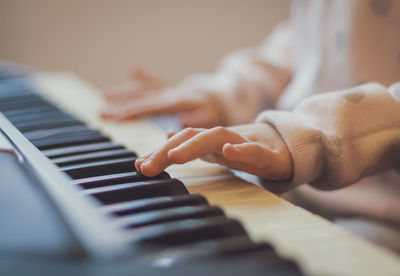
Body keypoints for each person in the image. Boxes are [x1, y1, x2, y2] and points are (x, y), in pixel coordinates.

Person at [102, 0, 400, 252]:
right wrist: (228, 94)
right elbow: (310, 43)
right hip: (296, 183)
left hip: (384, 213)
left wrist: (313, 136)